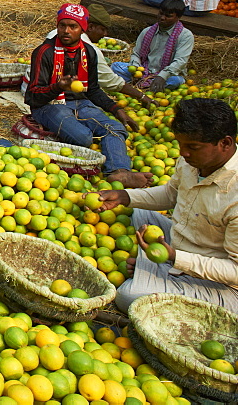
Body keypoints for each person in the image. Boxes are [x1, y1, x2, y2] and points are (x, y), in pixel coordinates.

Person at [99, 98, 238, 314]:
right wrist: (124, 196)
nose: (183, 153)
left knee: (128, 297)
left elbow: (234, 271)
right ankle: (154, 269)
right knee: (137, 210)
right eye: (180, 144)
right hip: (183, 243)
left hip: (222, 285)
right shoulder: (193, 161)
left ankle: (155, 270)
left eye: (193, 147)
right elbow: (170, 194)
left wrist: (173, 258)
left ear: (225, 143)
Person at [25, 4, 150, 189]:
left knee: (115, 128)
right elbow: (32, 97)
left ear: (82, 29)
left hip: (80, 103)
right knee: (84, 138)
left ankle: (119, 172)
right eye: (62, 26)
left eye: (73, 26)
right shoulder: (45, 52)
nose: (66, 31)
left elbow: (92, 90)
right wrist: (58, 86)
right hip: (49, 105)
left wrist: (116, 109)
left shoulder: (88, 52)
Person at [42, 4, 153, 108]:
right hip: (57, 99)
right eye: (103, 29)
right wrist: (141, 96)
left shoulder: (57, 32)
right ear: (90, 27)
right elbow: (111, 82)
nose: (105, 34)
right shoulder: (90, 50)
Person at [111, 0, 192, 91]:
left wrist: (162, 76)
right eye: (161, 13)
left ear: (178, 18)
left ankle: (140, 84)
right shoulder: (148, 31)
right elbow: (136, 54)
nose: (162, 18)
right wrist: (136, 68)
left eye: (168, 16)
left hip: (168, 74)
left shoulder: (185, 36)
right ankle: (147, 85)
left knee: (175, 81)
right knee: (116, 66)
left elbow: (180, 62)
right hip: (145, 70)